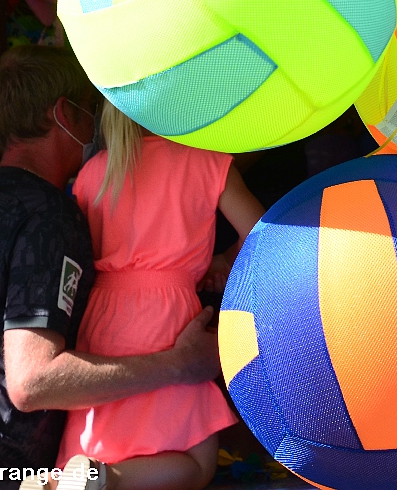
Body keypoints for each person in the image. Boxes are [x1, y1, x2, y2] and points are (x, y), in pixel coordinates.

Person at [0, 46, 221, 487]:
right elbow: (34, 381)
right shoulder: (50, 217)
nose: (97, 128)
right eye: (90, 111)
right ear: (65, 114)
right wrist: (178, 364)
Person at [55, 101, 265, 490]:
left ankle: (88, 474)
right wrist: (222, 260)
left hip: (103, 318)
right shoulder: (206, 161)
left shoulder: (94, 171)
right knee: (197, 464)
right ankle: (107, 479)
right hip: (169, 319)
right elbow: (261, 234)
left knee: (109, 435)